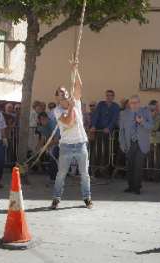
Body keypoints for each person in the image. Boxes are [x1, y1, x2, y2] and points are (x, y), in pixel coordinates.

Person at [51, 60, 92, 209]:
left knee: (85, 173)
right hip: (66, 146)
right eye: (61, 92)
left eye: (65, 91)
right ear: (57, 97)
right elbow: (67, 121)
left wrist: (75, 69)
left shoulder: (75, 101)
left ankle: (87, 197)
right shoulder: (57, 111)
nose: (64, 92)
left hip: (80, 143)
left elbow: (79, 86)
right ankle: (56, 197)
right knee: (61, 173)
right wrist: (71, 108)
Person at [119, 95, 153, 194]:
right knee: (130, 165)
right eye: (133, 102)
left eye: (137, 102)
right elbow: (121, 131)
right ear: (129, 103)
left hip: (141, 143)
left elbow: (151, 126)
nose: (135, 104)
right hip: (129, 143)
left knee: (138, 165)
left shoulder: (146, 112)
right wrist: (122, 143)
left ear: (139, 103)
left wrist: (142, 121)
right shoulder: (124, 113)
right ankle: (130, 185)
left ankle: (137, 187)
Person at [90, 90, 120, 174]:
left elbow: (115, 119)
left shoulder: (116, 106)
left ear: (113, 97)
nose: (108, 97)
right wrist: (93, 126)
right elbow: (96, 115)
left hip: (109, 132)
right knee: (98, 150)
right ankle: (97, 170)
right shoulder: (100, 104)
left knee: (108, 151)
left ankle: (107, 171)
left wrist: (109, 128)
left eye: (110, 95)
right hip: (99, 130)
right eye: (107, 95)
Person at [34, 112, 60, 187]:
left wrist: (44, 147)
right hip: (58, 143)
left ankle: (54, 180)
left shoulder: (53, 123)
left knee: (53, 160)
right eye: (41, 120)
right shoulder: (44, 126)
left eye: (43, 119)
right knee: (53, 160)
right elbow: (42, 140)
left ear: (47, 118)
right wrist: (36, 150)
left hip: (65, 141)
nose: (42, 121)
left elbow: (56, 139)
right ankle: (54, 180)